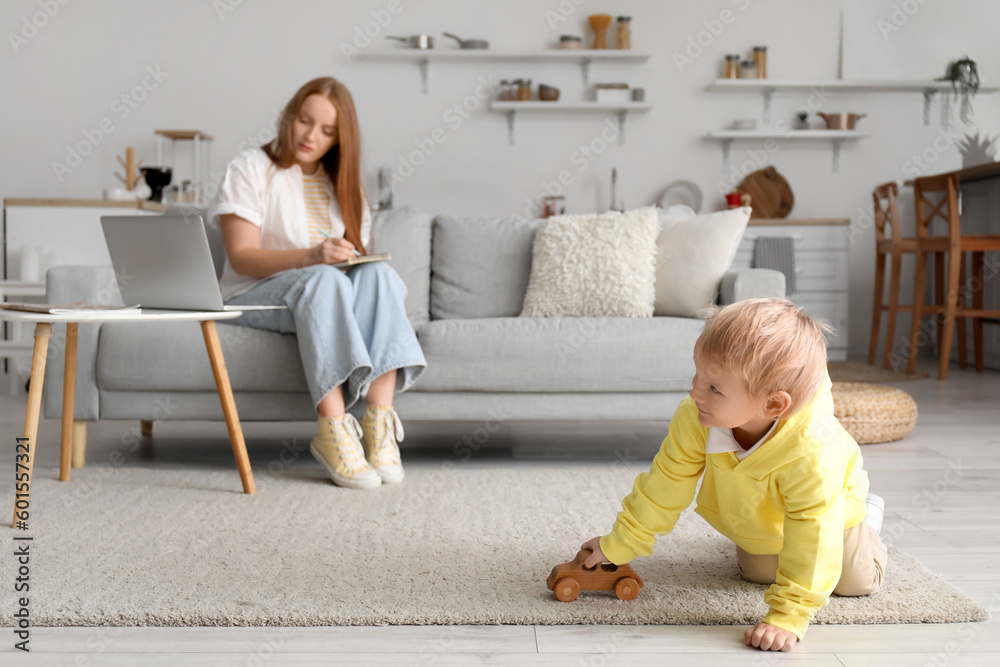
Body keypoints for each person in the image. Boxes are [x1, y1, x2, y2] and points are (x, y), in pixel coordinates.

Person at [579, 298, 887, 652]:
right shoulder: (695, 416)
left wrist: (789, 616)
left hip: (831, 515)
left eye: (714, 388)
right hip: (761, 517)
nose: (695, 391)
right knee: (758, 573)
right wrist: (619, 544)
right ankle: (772, 543)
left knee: (854, 580)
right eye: (698, 375)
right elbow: (665, 485)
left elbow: (813, 533)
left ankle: (868, 519)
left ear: (772, 405)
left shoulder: (812, 455)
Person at [208, 76, 426, 490]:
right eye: (305, 121)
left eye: (327, 131)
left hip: (325, 294)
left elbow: (357, 264)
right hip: (256, 294)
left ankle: (377, 425)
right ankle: (332, 428)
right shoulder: (252, 168)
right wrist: (312, 257)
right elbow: (241, 256)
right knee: (324, 279)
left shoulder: (343, 184)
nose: (311, 136)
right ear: (290, 117)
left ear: (340, 139)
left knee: (380, 274)